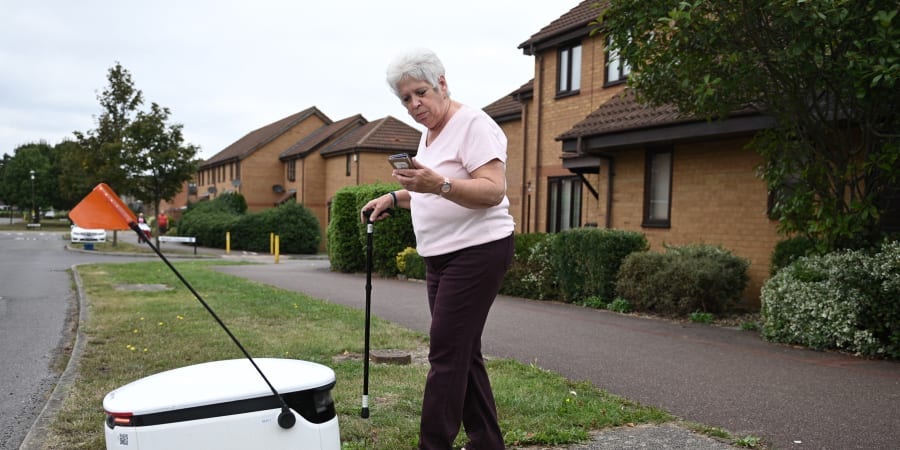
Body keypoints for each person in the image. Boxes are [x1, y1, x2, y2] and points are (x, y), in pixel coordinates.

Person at [361, 48, 515, 450]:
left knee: (445, 353)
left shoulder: (474, 125)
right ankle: (486, 443)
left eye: (421, 93)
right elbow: (430, 190)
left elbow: (492, 190)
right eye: (406, 99)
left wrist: (439, 185)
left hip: (478, 251)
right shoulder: (429, 135)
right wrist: (395, 197)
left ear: (442, 84)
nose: (415, 105)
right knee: (463, 351)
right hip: (441, 257)